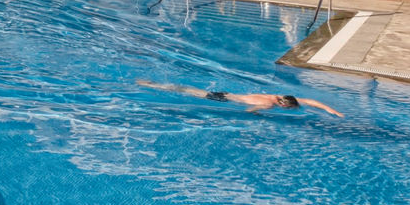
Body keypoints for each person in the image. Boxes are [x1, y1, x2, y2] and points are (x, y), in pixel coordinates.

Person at [138, 80, 343, 116]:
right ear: (284, 106)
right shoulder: (269, 105)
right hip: (222, 99)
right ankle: (152, 85)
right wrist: (258, 115)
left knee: (186, 89)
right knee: (185, 91)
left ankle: (153, 84)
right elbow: (249, 110)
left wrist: (332, 110)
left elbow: (310, 101)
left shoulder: (276, 96)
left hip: (227, 93)